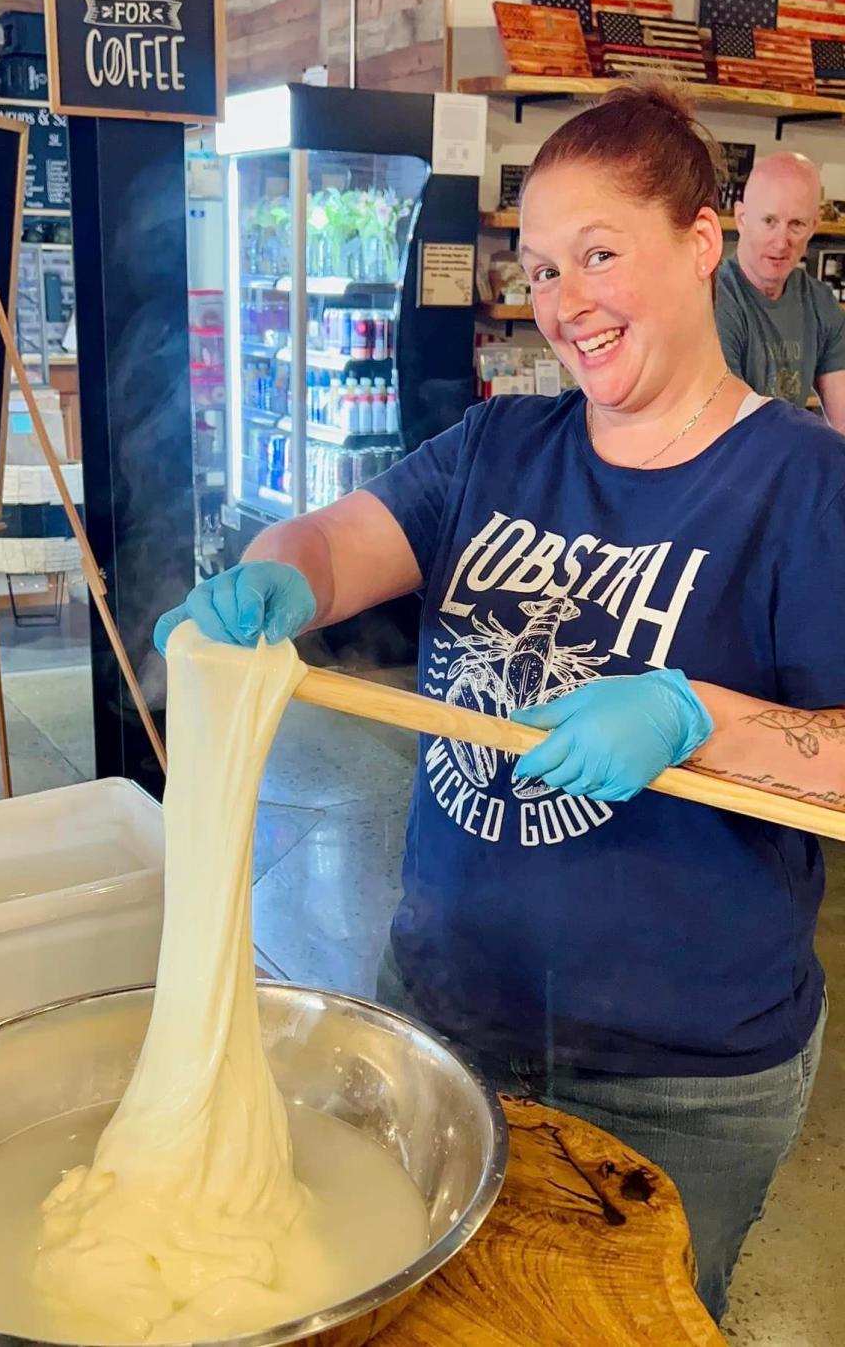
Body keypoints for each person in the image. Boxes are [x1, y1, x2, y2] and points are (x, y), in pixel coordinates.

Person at [156, 81, 845, 1325]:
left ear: (701, 241)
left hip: (678, 1077)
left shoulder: (804, 484)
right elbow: (336, 542)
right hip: (440, 1013)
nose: (564, 299)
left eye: (599, 253)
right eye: (538, 265)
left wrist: (702, 716)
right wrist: (271, 579)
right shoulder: (497, 449)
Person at [716, 151, 845, 431]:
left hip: (785, 460)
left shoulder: (819, 302)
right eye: (769, 221)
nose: (781, 242)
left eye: (796, 224)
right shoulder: (716, 301)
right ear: (741, 218)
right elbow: (732, 427)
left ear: (815, 224)